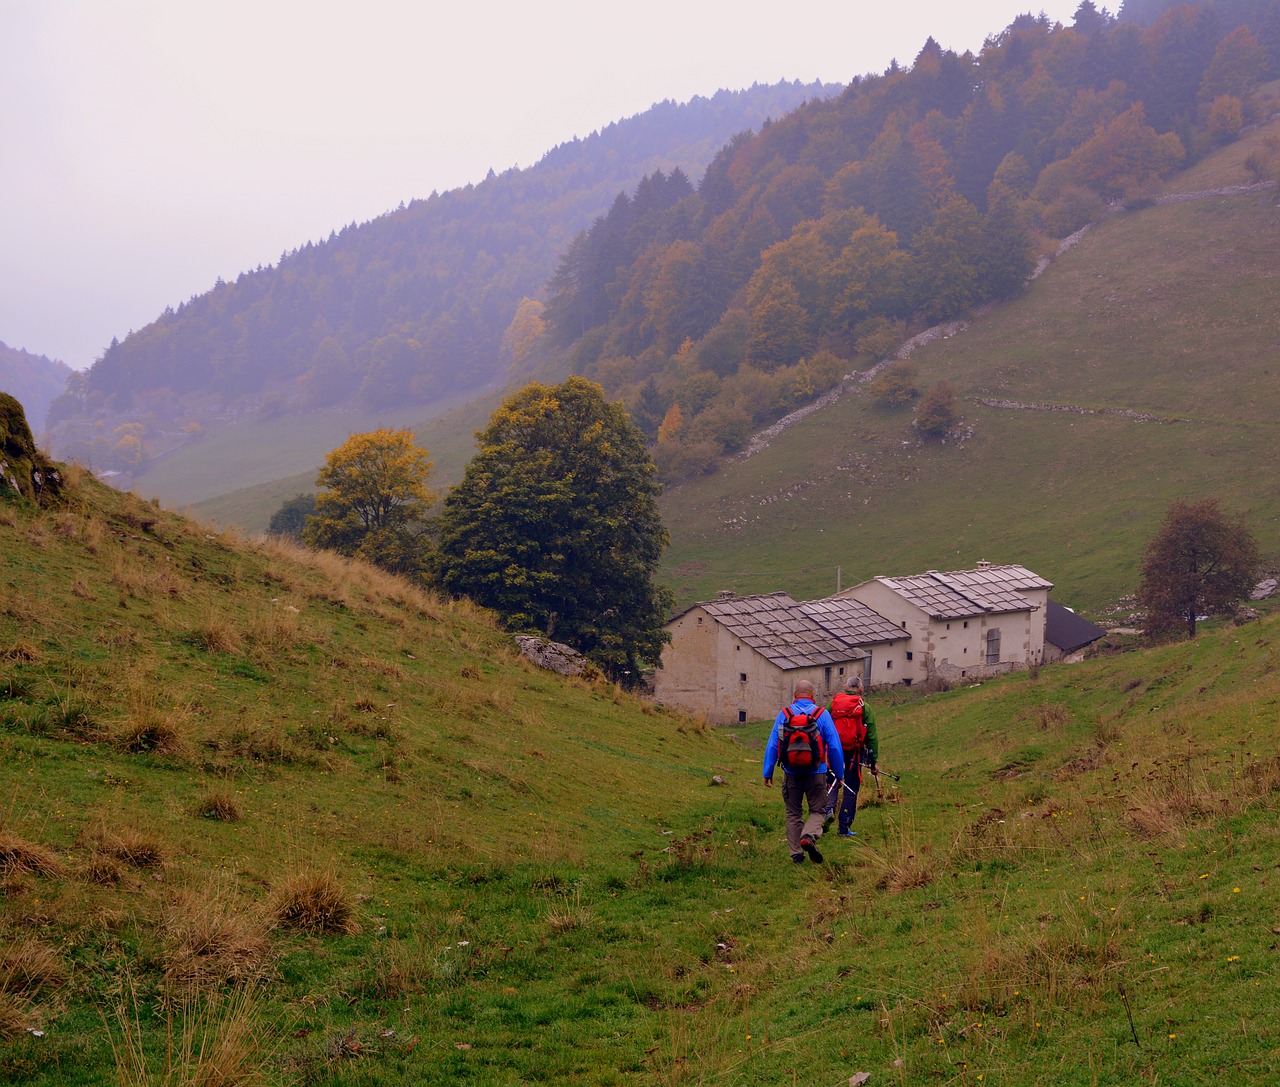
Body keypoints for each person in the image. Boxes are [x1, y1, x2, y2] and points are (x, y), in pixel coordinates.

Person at [762, 680, 844, 864]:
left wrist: (768, 772)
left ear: (795, 696)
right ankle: (808, 836)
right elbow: (834, 747)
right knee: (817, 810)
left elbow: (774, 744)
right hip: (816, 772)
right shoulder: (822, 715)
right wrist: (839, 773)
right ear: (813, 695)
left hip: (791, 771)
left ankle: (797, 854)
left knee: (793, 812)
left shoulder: (785, 714)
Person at [829, 675, 878, 837]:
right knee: (851, 788)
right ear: (861, 689)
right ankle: (844, 827)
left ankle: (827, 811)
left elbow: (824, 724)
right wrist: (873, 761)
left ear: (845, 687)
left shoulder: (834, 704)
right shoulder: (865, 707)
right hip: (854, 754)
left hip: (833, 752)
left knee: (832, 783)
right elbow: (871, 735)